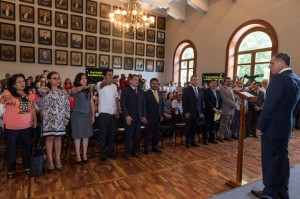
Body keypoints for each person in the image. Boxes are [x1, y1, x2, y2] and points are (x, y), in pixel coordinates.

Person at [251, 53, 300, 199]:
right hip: (284, 127)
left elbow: (269, 106)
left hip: (272, 128)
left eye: (271, 63)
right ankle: (281, 192)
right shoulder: (296, 79)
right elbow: (296, 106)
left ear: (281, 63)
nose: (269, 66)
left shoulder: (278, 79)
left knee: (270, 161)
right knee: (282, 160)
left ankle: (270, 192)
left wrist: (260, 126)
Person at [1, 74, 37, 178]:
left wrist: (34, 120)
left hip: (27, 125)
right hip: (12, 127)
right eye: (19, 81)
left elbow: (33, 108)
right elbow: (6, 98)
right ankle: (11, 170)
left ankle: (27, 166)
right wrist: (9, 100)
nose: (22, 83)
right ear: (13, 84)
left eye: (23, 81)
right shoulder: (8, 92)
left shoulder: (29, 93)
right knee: (11, 148)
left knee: (27, 147)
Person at [42, 72, 70, 170]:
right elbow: (37, 101)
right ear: (49, 80)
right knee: (49, 138)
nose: (57, 80)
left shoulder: (64, 92)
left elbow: (67, 106)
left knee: (58, 139)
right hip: (48, 119)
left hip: (60, 119)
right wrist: (40, 91)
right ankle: (50, 160)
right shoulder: (45, 91)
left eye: (58, 78)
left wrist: (67, 117)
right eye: (54, 78)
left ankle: (57, 159)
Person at [121, 74, 146, 159]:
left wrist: (143, 115)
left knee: (137, 136)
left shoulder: (141, 91)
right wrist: (126, 116)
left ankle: (135, 151)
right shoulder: (125, 90)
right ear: (130, 80)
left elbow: (143, 105)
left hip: (138, 118)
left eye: (138, 80)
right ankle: (127, 153)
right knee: (128, 136)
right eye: (135, 79)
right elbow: (123, 105)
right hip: (129, 117)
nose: (137, 81)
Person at [71, 73, 95, 164]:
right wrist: (82, 87)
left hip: (87, 114)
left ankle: (84, 154)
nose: (84, 80)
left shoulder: (89, 90)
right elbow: (74, 91)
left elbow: (91, 102)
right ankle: (78, 155)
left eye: (85, 78)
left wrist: (93, 115)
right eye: (82, 78)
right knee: (77, 136)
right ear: (78, 80)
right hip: (77, 115)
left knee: (86, 135)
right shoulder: (75, 88)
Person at [97, 69, 119, 161]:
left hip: (113, 112)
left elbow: (117, 98)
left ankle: (111, 152)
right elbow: (104, 84)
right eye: (108, 75)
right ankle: (102, 154)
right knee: (103, 135)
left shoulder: (114, 86)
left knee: (112, 134)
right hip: (104, 112)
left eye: (111, 74)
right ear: (104, 76)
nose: (111, 76)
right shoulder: (99, 84)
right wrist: (111, 80)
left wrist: (118, 110)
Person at [182, 75, 204, 148]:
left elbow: (201, 102)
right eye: (194, 80)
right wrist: (185, 112)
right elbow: (184, 103)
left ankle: (193, 141)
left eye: (197, 80)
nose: (195, 81)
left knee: (195, 128)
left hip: (197, 112)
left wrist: (201, 112)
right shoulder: (186, 90)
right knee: (188, 128)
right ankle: (187, 142)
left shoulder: (200, 90)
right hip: (189, 113)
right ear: (191, 81)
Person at [144, 78, 164, 155]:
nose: (155, 85)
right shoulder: (146, 93)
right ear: (150, 84)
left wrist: (162, 115)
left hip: (158, 117)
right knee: (148, 134)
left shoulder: (160, 93)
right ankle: (146, 148)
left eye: (157, 83)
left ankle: (155, 146)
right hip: (149, 117)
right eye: (154, 83)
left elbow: (161, 105)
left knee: (156, 134)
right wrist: (145, 117)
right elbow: (144, 106)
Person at [203, 79, 222, 144]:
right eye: (213, 83)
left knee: (213, 126)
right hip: (209, 111)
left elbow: (220, 101)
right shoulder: (206, 91)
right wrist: (214, 109)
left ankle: (212, 138)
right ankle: (205, 139)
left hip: (217, 111)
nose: (214, 84)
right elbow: (207, 102)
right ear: (209, 84)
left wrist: (220, 108)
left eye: (215, 83)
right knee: (207, 126)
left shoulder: (217, 91)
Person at [219, 77, 236, 142]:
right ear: (224, 82)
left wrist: (235, 104)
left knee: (229, 123)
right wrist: (234, 105)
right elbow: (225, 99)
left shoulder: (231, 88)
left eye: (230, 81)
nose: (229, 82)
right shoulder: (222, 89)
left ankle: (227, 136)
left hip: (232, 109)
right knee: (223, 124)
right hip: (226, 109)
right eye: (227, 81)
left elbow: (233, 98)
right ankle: (221, 136)